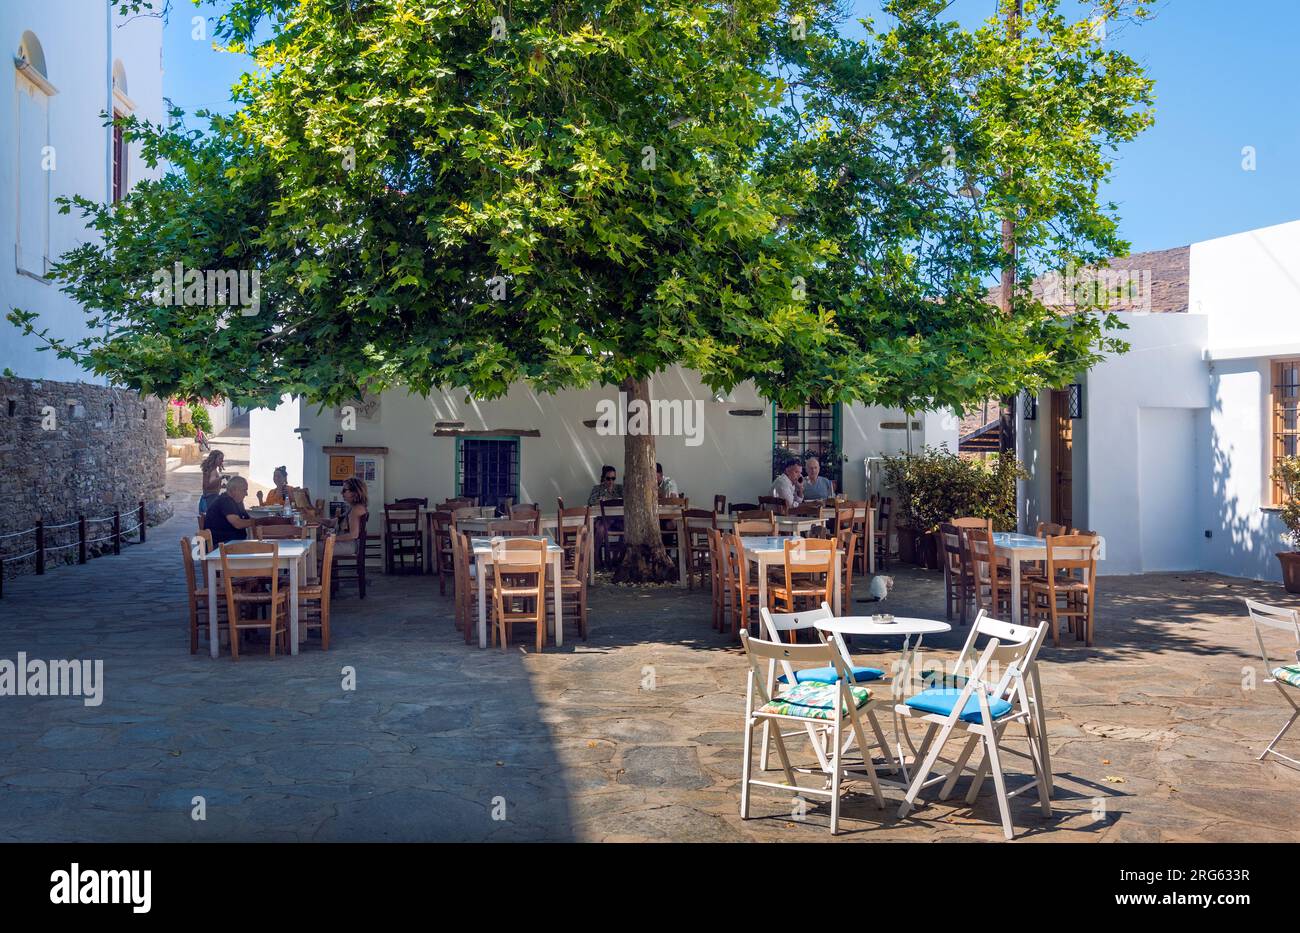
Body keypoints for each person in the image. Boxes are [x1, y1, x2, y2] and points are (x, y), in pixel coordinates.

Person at [203, 475, 262, 546]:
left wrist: (258, 522)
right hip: (220, 545)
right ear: (234, 490)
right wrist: (258, 521)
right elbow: (238, 524)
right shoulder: (225, 501)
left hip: (232, 543)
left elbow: (247, 519)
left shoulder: (237, 501)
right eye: (244, 490)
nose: (246, 494)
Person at [588, 466, 623, 570]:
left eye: (613, 478)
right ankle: (595, 558)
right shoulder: (597, 489)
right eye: (608, 478)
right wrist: (601, 500)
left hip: (618, 520)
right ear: (603, 478)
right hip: (603, 521)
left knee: (629, 528)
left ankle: (618, 558)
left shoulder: (620, 488)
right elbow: (590, 502)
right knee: (599, 529)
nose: (611, 481)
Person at [324, 477, 370, 556]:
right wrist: (312, 518)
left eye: (344, 490)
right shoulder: (353, 508)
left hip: (349, 545)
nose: (341, 493)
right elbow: (331, 522)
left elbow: (353, 535)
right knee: (314, 546)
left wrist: (331, 538)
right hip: (348, 544)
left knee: (314, 548)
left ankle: (321, 568)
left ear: (355, 492)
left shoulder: (356, 509)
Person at [198, 450, 225, 515]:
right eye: (220, 459)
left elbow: (207, 486)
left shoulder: (210, 469)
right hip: (211, 499)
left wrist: (220, 486)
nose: (222, 461)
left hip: (206, 498)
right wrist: (221, 478)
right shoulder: (213, 470)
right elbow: (209, 485)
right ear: (214, 459)